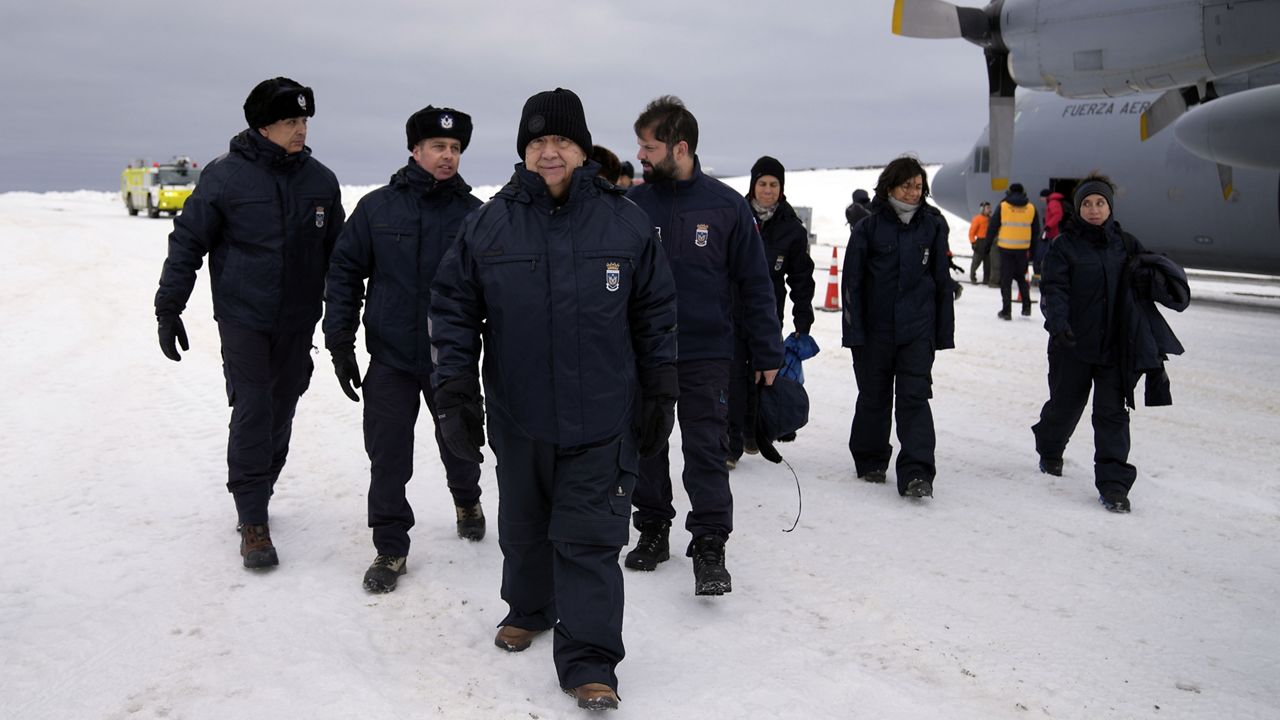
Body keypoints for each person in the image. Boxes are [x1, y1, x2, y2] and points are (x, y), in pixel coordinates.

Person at [428, 88, 678, 711]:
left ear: (583, 148)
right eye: (537, 141)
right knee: (523, 525)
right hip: (521, 414)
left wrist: (660, 390)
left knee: (591, 540)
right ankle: (530, 608)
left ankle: (591, 660)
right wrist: (455, 390)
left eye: (561, 140)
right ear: (523, 150)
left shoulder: (625, 222)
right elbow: (453, 310)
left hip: (603, 416)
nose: (549, 151)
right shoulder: (488, 223)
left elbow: (655, 314)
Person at [154, 77, 345, 568]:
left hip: (298, 317)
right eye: (290, 121)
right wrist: (169, 306)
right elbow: (188, 242)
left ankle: (261, 485)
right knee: (254, 405)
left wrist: (343, 320)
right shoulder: (224, 178)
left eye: (304, 120)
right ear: (263, 126)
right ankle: (253, 518)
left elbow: (338, 257)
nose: (301, 129)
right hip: (243, 315)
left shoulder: (320, 180)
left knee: (282, 405)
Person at [322, 106, 486, 594]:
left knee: (459, 442)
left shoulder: (474, 215)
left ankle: (467, 499)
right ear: (415, 150)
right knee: (388, 454)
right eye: (439, 147)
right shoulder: (377, 208)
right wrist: (339, 339)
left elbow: (492, 289)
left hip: (450, 358)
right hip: (390, 356)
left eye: (455, 148)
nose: (448, 156)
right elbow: (345, 273)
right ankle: (391, 546)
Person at [624, 95, 784, 595]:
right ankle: (652, 528)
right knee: (647, 444)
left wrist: (768, 351)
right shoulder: (631, 205)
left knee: (707, 449)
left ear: (680, 147)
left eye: (649, 147)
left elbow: (755, 282)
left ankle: (711, 543)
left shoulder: (726, 206)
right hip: (645, 351)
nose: (641, 156)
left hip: (707, 351)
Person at [1032, 174, 1188, 514]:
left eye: (1099, 203)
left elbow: (1145, 275)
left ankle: (1114, 485)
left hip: (1115, 348)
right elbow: (1054, 289)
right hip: (1071, 345)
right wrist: (1058, 325)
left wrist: (1157, 281)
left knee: (1112, 416)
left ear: (1109, 207)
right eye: (1087, 204)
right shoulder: (1064, 246)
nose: (1093, 209)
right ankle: (1049, 447)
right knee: (1065, 407)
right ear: (1078, 208)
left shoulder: (1125, 243)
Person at [840, 157, 955, 499]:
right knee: (874, 397)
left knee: (914, 398)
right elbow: (852, 285)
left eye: (918, 186)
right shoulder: (868, 228)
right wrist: (854, 333)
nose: (913, 191)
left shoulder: (932, 225)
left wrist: (942, 333)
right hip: (875, 331)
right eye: (906, 185)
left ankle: (917, 472)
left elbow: (941, 280)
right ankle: (871, 459)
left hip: (917, 331)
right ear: (890, 186)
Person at [727, 155, 815, 467]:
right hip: (731, 312)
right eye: (762, 183)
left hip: (767, 314)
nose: (767, 190)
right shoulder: (733, 216)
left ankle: (755, 431)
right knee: (733, 375)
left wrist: (803, 319)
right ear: (753, 186)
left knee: (763, 374)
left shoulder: (791, 228)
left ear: (781, 188)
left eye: (773, 184)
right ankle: (730, 443)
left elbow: (802, 278)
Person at [986, 182, 1041, 319]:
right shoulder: (1031, 208)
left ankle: (1006, 311)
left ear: (1009, 192)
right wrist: (1033, 251)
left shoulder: (1003, 206)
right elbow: (1036, 232)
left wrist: (986, 246)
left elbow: (993, 227)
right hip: (1022, 249)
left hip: (1006, 249)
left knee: (1006, 280)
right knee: (1021, 278)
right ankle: (1026, 307)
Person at [967, 201, 992, 284]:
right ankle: (973, 278)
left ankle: (986, 280)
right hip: (980, 243)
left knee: (988, 263)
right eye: (987, 208)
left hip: (988, 243)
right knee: (976, 262)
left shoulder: (990, 219)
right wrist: (973, 243)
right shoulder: (977, 219)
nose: (989, 210)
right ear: (982, 209)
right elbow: (971, 233)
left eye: (989, 208)